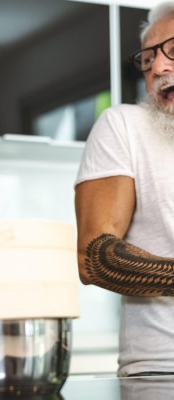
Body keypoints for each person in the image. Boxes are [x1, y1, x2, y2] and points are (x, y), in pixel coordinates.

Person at [75, 1, 174, 377]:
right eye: (148, 60)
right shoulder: (124, 126)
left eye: (173, 52)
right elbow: (94, 257)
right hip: (164, 371)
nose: (158, 68)